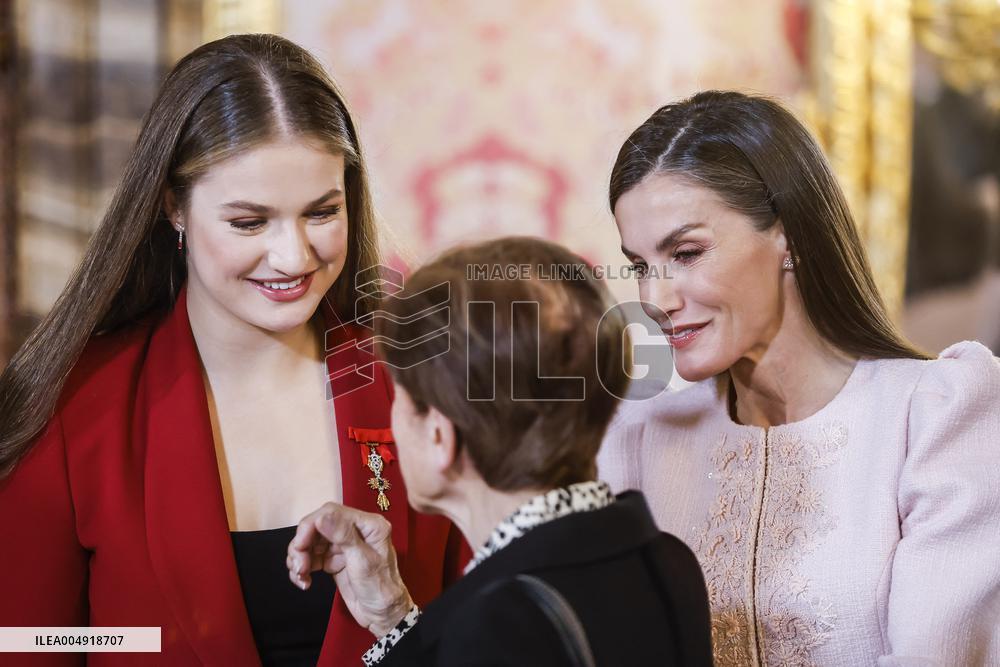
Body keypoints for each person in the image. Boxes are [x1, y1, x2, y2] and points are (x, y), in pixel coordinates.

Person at [0, 34, 465, 666]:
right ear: (173, 206)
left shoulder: (425, 381)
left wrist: (396, 618)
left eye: (322, 212)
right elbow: (32, 642)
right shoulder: (73, 409)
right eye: (250, 222)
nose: (293, 257)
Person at [598, 90, 1000, 666]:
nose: (654, 298)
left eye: (686, 253)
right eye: (640, 266)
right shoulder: (634, 440)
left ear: (787, 235)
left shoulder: (934, 415)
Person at [287, 237, 714, 666]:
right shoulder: (666, 561)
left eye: (401, 397)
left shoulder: (496, 622)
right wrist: (393, 615)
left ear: (439, 435)